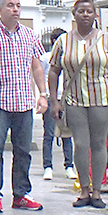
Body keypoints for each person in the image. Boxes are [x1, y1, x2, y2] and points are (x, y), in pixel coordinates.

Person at [48, 0, 108, 209]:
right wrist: (54, 101)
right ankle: (83, 190)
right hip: (74, 101)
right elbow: (54, 71)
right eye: (81, 11)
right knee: (81, 145)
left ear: (95, 15)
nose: (85, 14)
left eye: (89, 11)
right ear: (74, 15)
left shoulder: (107, 39)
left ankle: (97, 192)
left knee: (99, 144)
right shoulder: (63, 42)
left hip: (101, 100)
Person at [0, 0, 48, 213]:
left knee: (23, 150)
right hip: (0, 102)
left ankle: (21, 194)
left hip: (24, 102)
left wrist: (43, 94)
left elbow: (37, 66)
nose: (15, 9)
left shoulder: (29, 35)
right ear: (0, 9)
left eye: (18, 5)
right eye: (10, 5)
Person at [40, 28, 75, 181]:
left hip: (66, 98)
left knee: (67, 133)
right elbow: (40, 77)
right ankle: (47, 167)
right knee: (48, 134)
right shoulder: (45, 58)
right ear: (54, 41)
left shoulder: (69, 58)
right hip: (50, 98)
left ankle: (69, 166)